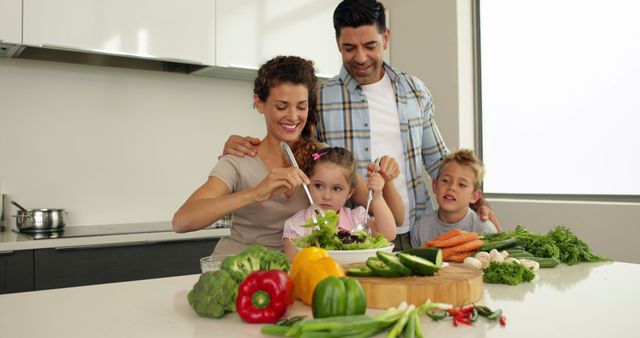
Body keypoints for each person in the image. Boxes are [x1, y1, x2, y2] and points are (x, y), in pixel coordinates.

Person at [220, 0, 500, 251]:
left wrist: (477, 200)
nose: (361, 57)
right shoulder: (323, 97)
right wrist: (237, 147)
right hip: (357, 234)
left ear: (386, 38)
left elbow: (439, 161)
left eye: (370, 46)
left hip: (416, 231)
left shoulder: (414, 91)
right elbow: (297, 149)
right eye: (349, 48)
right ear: (338, 43)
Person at [282, 146, 399, 259]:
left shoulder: (357, 219)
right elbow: (294, 263)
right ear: (308, 184)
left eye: (336, 188)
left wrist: (377, 197)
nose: (326, 196)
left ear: (349, 193)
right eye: (319, 186)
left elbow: (389, 234)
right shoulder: (296, 225)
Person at [411, 149, 497, 247]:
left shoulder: (484, 230)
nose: (452, 187)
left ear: (474, 196)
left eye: (462, 184)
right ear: (434, 186)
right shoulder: (420, 227)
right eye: (445, 180)